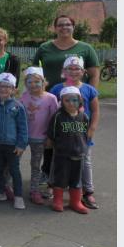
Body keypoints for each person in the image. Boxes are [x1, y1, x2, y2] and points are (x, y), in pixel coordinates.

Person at [48, 56, 101, 210]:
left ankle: (88, 191)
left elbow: (96, 110)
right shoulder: (57, 89)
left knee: (85, 163)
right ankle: (54, 188)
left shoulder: (89, 89)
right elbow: (52, 112)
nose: (73, 71)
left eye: (77, 68)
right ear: (64, 71)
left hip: (82, 136)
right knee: (57, 164)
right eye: (69, 68)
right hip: (63, 138)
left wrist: (92, 128)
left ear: (83, 71)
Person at [0, 73, 29, 210]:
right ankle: (0, 192)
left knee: (14, 170)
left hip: (12, 145)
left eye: (7, 87)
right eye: (1, 86)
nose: (4, 89)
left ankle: (19, 196)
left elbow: (23, 127)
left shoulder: (18, 106)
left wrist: (21, 144)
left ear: (14, 89)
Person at [47, 86, 90, 214]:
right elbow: (52, 134)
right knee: (60, 178)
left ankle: (75, 202)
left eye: (74, 100)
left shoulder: (84, 117)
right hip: (62, 154)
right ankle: (58, 200)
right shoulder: (58, 116)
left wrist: (82, 147)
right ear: (62, 101)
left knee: (76, 179)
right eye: (67, 100)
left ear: (80, 101)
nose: (71, 103)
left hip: (79, 154)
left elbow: (85, 134)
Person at [19, 66, 59, 205]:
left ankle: (34, 190)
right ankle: (9, 186)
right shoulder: (23, 97)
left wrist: (50, 137)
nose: (33, 85)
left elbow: (54, 119)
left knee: (35, 165)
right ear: (26, 84)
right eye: (29, 82)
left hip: (40, 138)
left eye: (37, 82)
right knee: (13, 162)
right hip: (23, 137)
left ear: (44, 82)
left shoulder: (51, 98)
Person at [32, 15, 100, 88]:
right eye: (60, 25)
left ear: (73, 27)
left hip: (77, 97)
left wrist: (90, 95)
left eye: (68, 24)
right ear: (55, 28)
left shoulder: (86, 48)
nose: (64, 27)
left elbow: (94, 75)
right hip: (48, 96)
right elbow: (34, 73)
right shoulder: (44, 48)